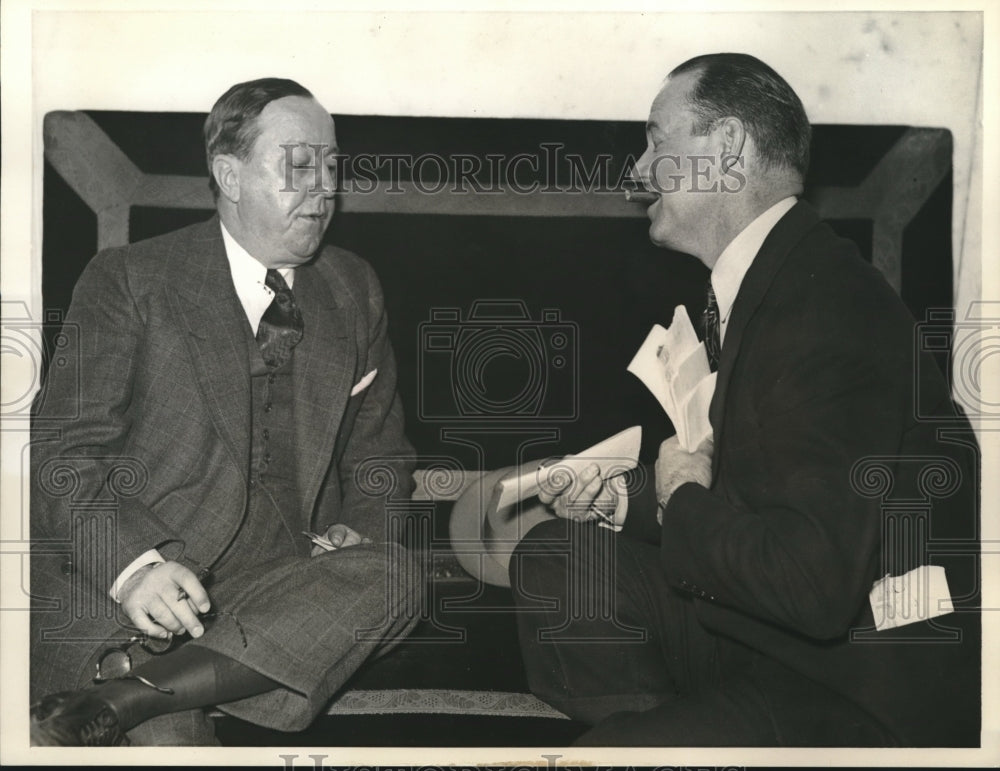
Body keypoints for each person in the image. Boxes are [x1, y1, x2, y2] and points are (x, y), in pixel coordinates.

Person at [510, 53, 980, 746]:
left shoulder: (827, 309)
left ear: (726, 148)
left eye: (657, 142)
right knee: (556, 556)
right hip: (775, 637)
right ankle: (684, 729)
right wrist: (626, 499)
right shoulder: (777, 278)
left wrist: (682, 498)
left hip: (856, 678)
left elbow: (813, 583)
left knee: (599, 758)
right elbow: (763, 491)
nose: (638, 172)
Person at [29, 78, 420, 746]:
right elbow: (62, 455)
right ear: (229, 173)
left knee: (398, 577)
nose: (324, 188)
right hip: (125, 585)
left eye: (332, 167)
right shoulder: (129, 279)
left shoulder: (353, 288)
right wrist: (136, 568)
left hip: (272, 593)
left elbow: (381, 456)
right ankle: (160, 690)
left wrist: (363, 525)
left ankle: (131, 690)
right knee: (177, 744)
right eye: (300, 164)